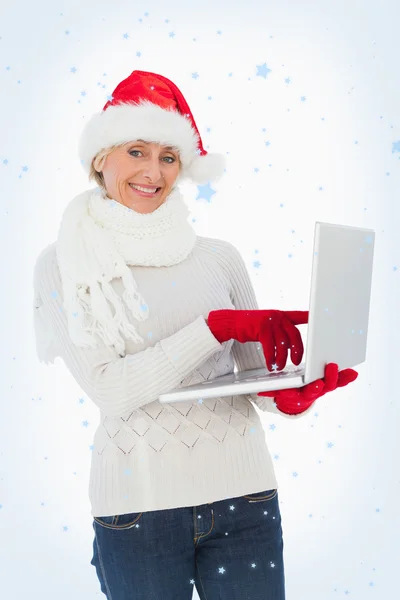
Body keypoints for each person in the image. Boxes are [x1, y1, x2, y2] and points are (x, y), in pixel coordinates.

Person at [33, 70, 358, 600]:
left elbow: (253, 380)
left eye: (167, 156)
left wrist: (293, 395)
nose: (152, 171)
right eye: (135, 151)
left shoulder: (218, 258)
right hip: (138, 512)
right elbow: (112, 390)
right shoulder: (66, 264)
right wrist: (212, 328)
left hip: (245, 499)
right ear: (99, 158)